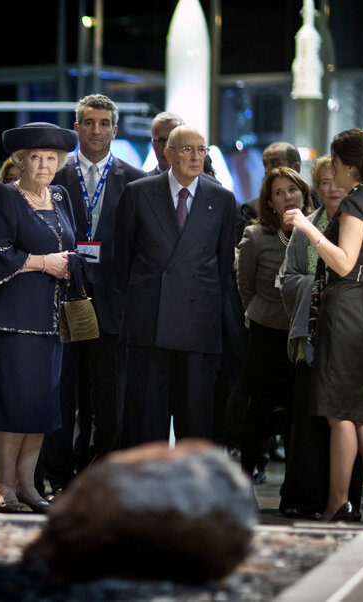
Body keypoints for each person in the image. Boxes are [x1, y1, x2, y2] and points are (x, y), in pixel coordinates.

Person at [283, 129, 363, 523]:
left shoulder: (353, 203)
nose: (331, 169)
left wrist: (307, 226)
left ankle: (338, 503)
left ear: (350, 166)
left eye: (334, 161)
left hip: (346, 313)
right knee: (362, 413)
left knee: (340, 414)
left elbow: (344, 262)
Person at [0, 122, 78, 514]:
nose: (45, 165)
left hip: (51, 321)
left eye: (52, 158)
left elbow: (69, 244)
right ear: (20, 161)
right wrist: (43, 263)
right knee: (13, 405)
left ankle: (30, 486)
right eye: (36, 157)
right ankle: (4, 485)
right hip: (13, 319)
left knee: (41, 407)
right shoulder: (4, 194)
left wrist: (70, 264)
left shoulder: (61, 196)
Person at [114, 126, 237, 447]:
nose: (196, 157)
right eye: (187, 149)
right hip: (148, 323)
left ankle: (190, 491)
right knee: (144, 417)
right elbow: (121, 260)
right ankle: (143, 490)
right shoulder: (139, 192)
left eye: (201, 149)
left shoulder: (221, 198)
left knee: (195, 417)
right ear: (168, 153)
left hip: (198, 324)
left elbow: (223, 266)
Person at [48, 94, 146, 491]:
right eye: (88, 122)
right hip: (61, 298)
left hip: (112, 303)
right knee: (61, 395)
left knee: (110, 401)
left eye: (104, 123)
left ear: (115, 130)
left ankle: (101, 480)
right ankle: (59, 478)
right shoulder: (54, 176)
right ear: (77, 128)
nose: (96, 130)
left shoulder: (137, 181)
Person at [235, 167, 312, 485]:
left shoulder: (317, 231)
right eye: (278, 193)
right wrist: (256, 312)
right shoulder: (256, 236)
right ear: (269, 202)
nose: (287, 197)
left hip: (305, 332)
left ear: (304, 194)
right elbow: (244, 286)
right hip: (266, 331)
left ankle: (297, 486)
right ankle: (246, 472)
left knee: (300, 409)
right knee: (261, 408)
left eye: (292, 190)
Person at [148, 112, 184, 176]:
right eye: (160, 140)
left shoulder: (203, 184)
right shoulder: (142, 184)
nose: (166, 147)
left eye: (171, 139)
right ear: (153, 145)